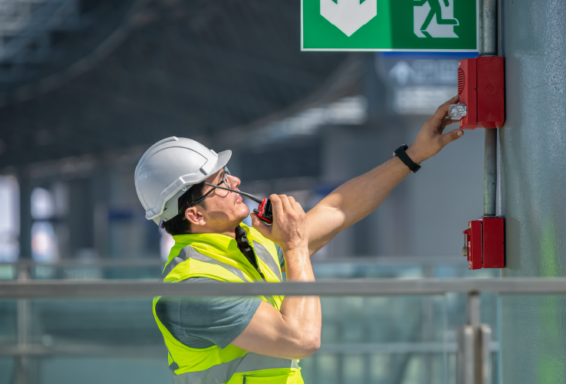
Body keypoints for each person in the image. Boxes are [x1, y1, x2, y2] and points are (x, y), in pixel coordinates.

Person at [133, 97, 464, 384]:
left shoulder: (252, 245)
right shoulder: (192, 289)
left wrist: (414, 154)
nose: (235, 181)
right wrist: (294, 247)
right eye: (220, 183)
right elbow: (301, 339)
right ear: (195, 216)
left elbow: (340, 208)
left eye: (227, 172)